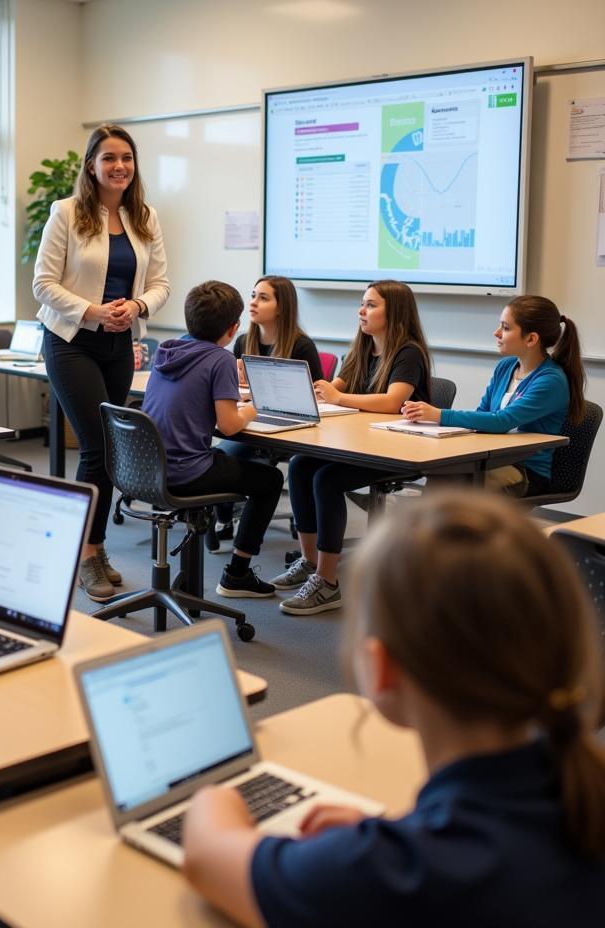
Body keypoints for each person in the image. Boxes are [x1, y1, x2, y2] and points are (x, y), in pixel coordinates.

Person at [182, 490, 605, 926]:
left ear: (382, 668)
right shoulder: (576, 794)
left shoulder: (392, 873)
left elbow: (206, 855)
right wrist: (393, 829)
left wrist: (213, 790)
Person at [33, 124, 169, 602]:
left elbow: (160, 283)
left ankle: (94, 546)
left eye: (127, 158)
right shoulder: (66, 213)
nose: (119, 167)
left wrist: (137, 307)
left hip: (118, 343)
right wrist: (92, 311)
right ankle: (86, 555)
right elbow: (43, 284)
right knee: (94, 445)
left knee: (109, 450)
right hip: (71, 340)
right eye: (109, 158)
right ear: (91, 165)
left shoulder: (144, 216)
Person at [271, 280, 432, 615]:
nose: (362, 311)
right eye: (363, 304)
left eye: (371, 305)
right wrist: (320, 390)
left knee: (326, 480)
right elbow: (335, 388)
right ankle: (310, 561)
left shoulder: (409, 352)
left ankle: (327, 583)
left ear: (395, 312)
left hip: (399, 450)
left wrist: (338, 396)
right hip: (364, 443)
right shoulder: (363, 347)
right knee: (301, 464)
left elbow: (392, 402)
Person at [142, 281, 285, 599]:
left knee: (237, 460)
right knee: (271, 479)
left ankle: (221, 523)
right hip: (187, 472)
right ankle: (238, 574)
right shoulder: (220, 359)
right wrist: (253, 408)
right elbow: (230, 425)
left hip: (148, 467)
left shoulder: (169, 348)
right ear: (234, 328)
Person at [403, 295, 585, 497]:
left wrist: (438, 415)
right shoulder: (506, 366)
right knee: (441, 473)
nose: (496, 333)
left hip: (525, 470)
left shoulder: (551, 380)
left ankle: (438, 526)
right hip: (493, 457)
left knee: (453, 482)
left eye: (506, 328)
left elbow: (502, 421)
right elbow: (483, 415)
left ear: (531, 339)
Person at [210, 276, 323, 552]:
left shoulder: (301, 346)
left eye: (263, 297)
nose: (253, 302)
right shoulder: (244, 340)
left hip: (291, 426)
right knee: (222, 457)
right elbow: (234, 390)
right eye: (253, 295)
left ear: (282, 307)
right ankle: (222, 517)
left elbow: (316, 395)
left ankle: (230, 521)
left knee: (231, 456)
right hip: (250, 420)